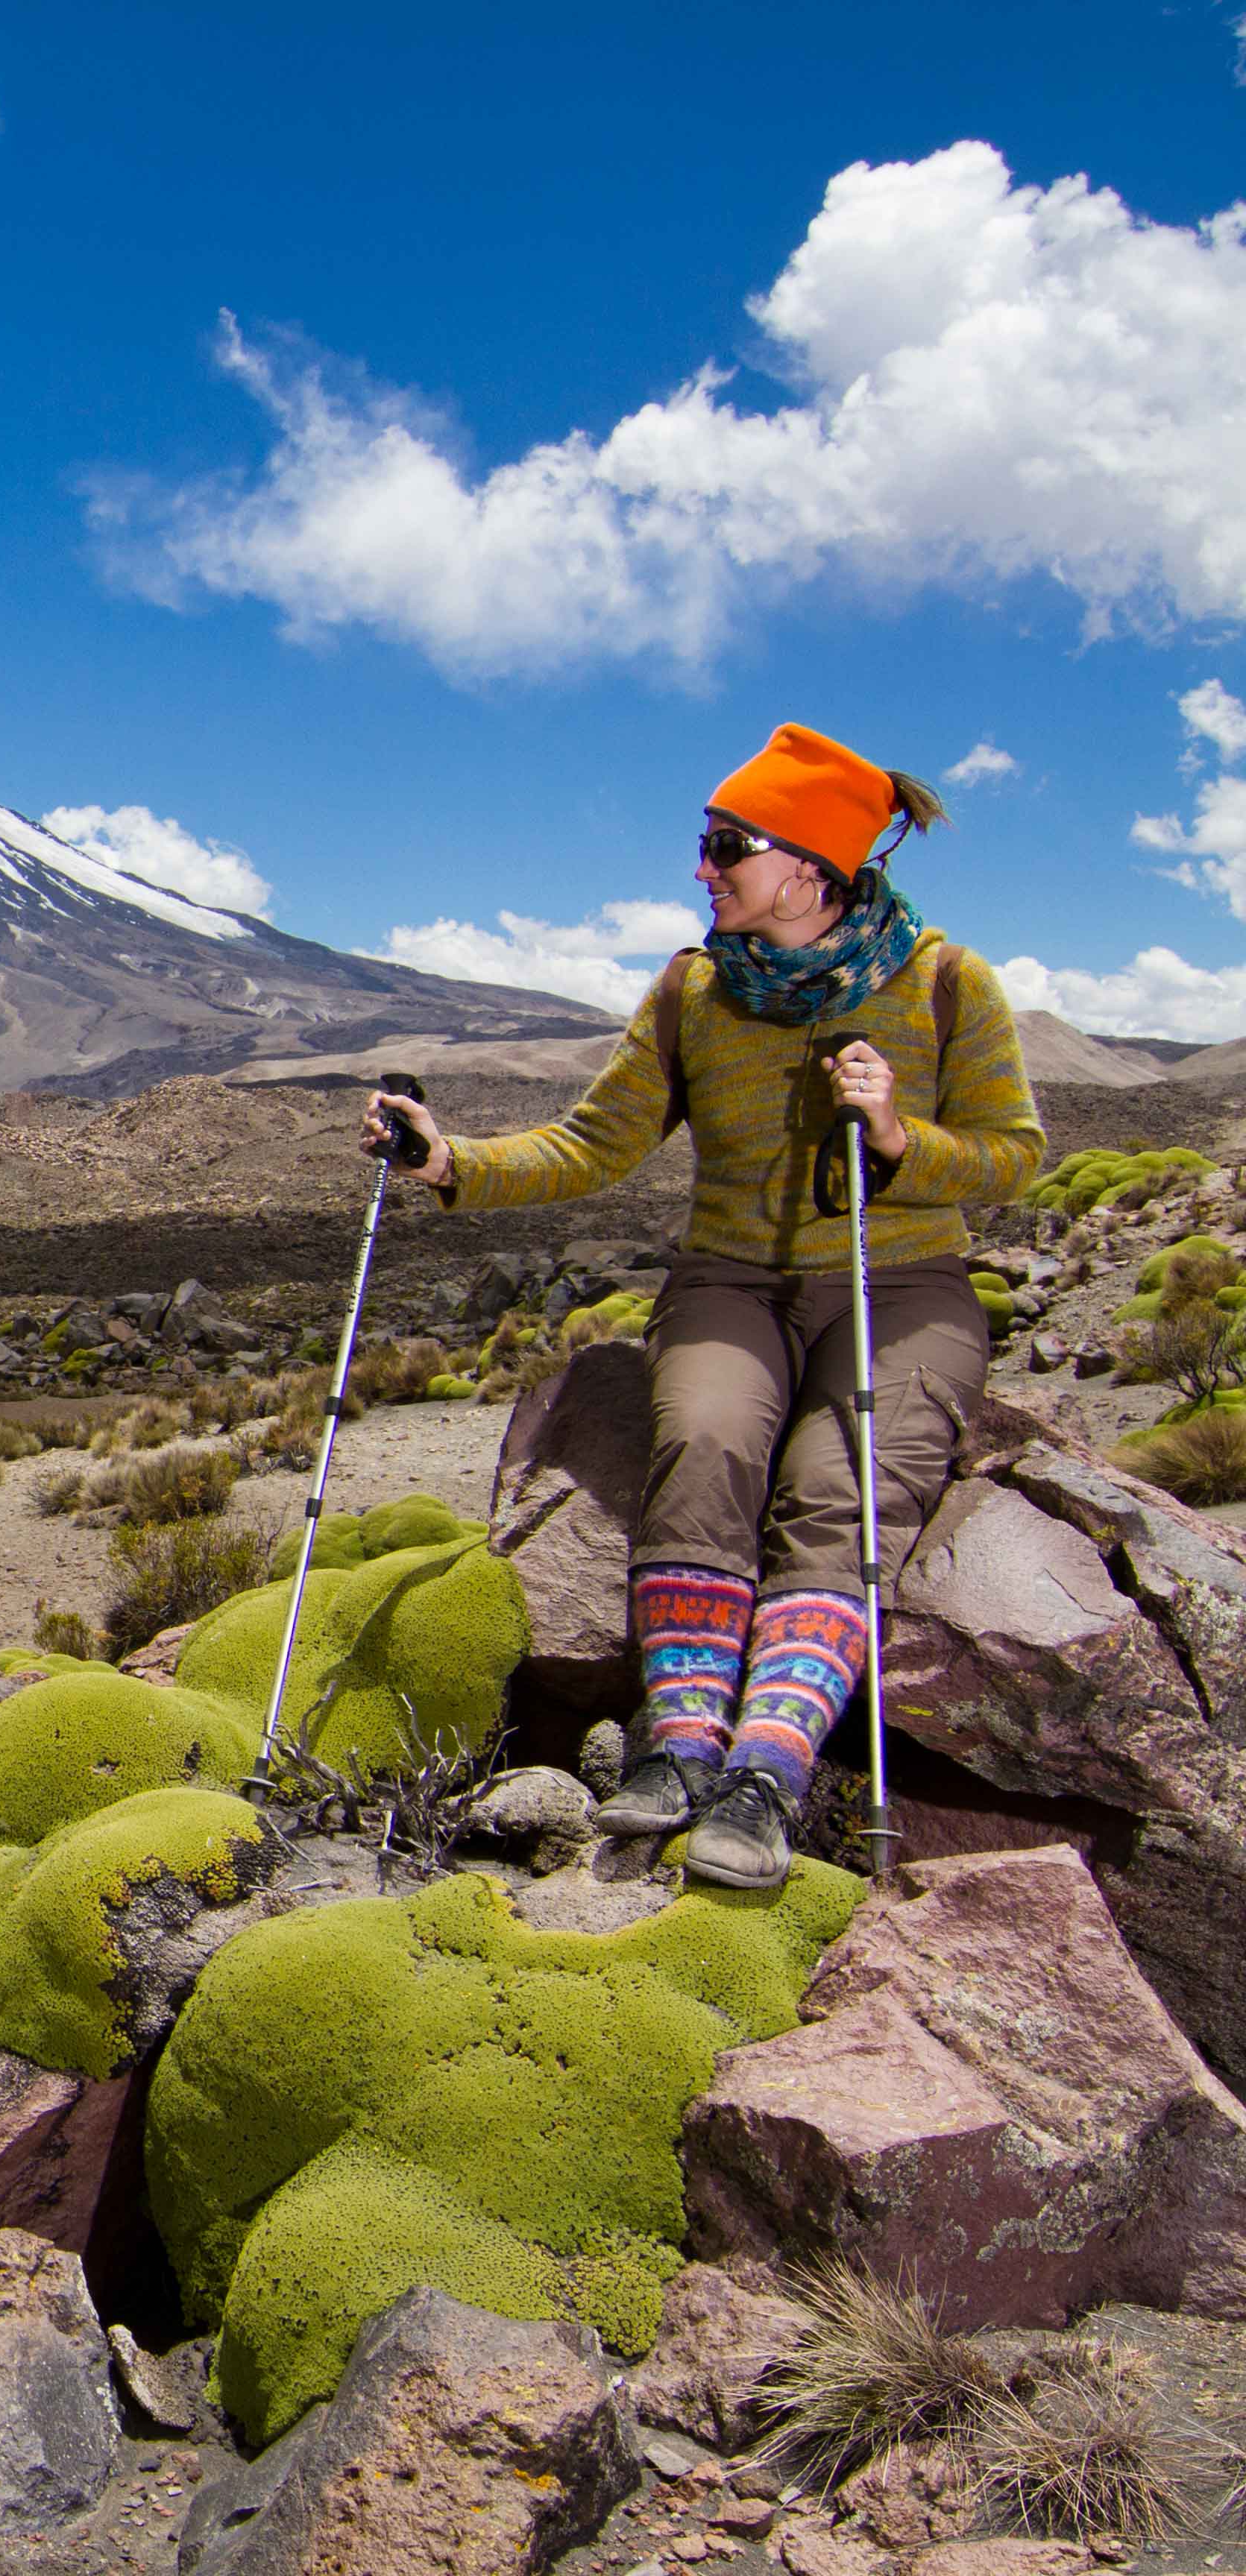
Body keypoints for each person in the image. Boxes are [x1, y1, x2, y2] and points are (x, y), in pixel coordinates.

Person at [365, 722, 1042, 1890]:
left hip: (906, 1285)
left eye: (726, 845)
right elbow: (595, 1143)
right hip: (729, 1282)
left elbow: (1015, 1157)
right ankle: (679, 1749)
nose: (703, 868)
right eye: (707, 844)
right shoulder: (692, 991)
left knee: (845, 1486)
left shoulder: (945, 980)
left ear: (809, 868)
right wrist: (447, 1164)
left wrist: (895, 1138)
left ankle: (767, 1774)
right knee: (706, 1443)